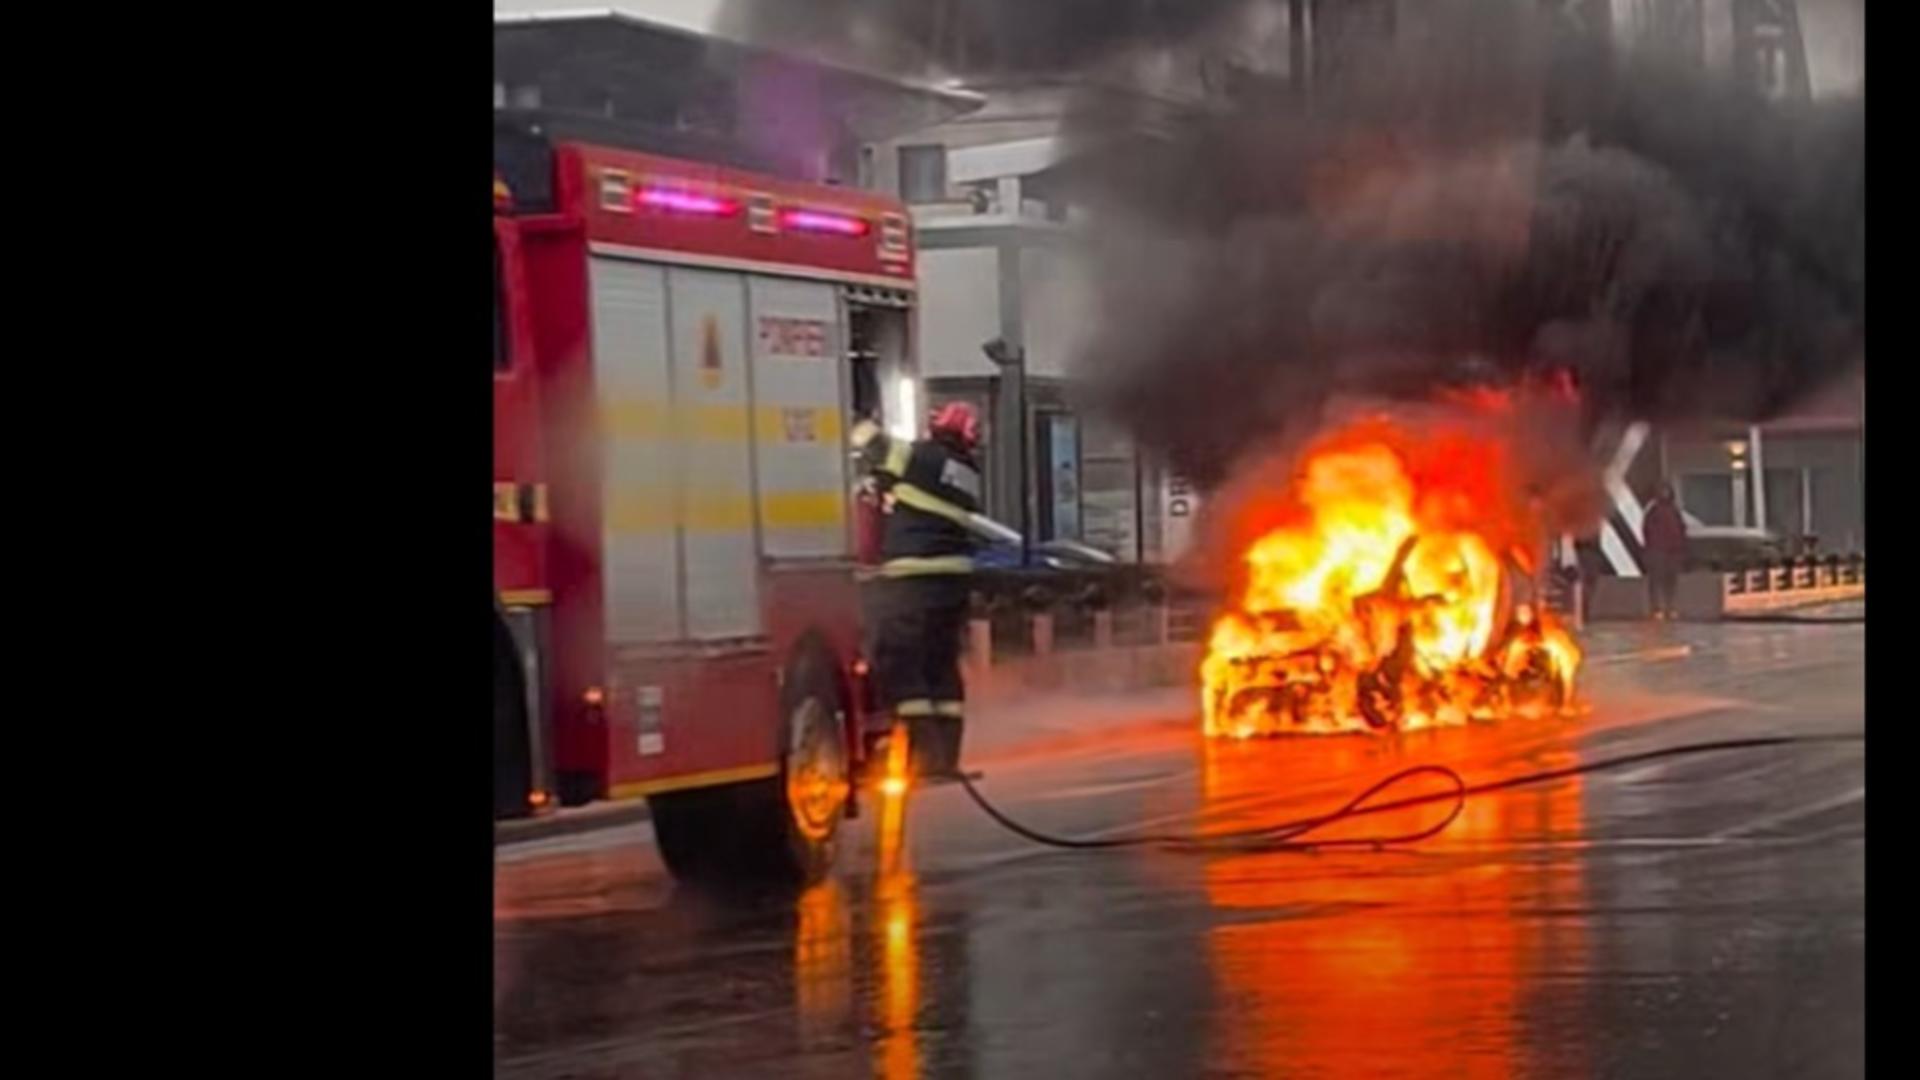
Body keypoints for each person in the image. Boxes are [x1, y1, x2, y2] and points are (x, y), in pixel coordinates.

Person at [850, 402, 986, 777]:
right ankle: (945, 761)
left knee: (901, 664)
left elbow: (871, 444)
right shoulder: (968, 472)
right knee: (941, 669)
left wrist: (847, 414)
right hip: (952, 583)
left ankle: (921, 759)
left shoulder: (920, 457)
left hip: (912, 581)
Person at [1642, 483, 1688, 621]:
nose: (1664, 493)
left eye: (1666, 490)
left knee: (1671, 581)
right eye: (1662, 490)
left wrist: (1681, 547)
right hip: (1657, 550)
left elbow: (1682, 529)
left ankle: (1671, 608)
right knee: (1656, 580)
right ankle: (1656, 609)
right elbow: (1646, 529)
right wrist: (1651, 546)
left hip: (1673, 551)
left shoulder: (1675, 510)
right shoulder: (1653, 510)